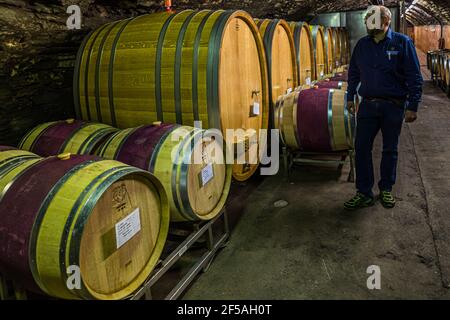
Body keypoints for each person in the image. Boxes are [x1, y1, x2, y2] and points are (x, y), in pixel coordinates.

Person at [344, 5, 423, 210]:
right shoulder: (362, 45)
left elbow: (415, 76)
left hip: (393, 106)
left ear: (386, 21)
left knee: (390, 149)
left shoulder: (402, 42)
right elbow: (353, 73)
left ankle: (386, 188)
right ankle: (364, 192)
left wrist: (413, 105)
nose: (368, 23)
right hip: (368, 105)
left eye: (373, 19)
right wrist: (350, 97)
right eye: (367, 19)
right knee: (361, 149)